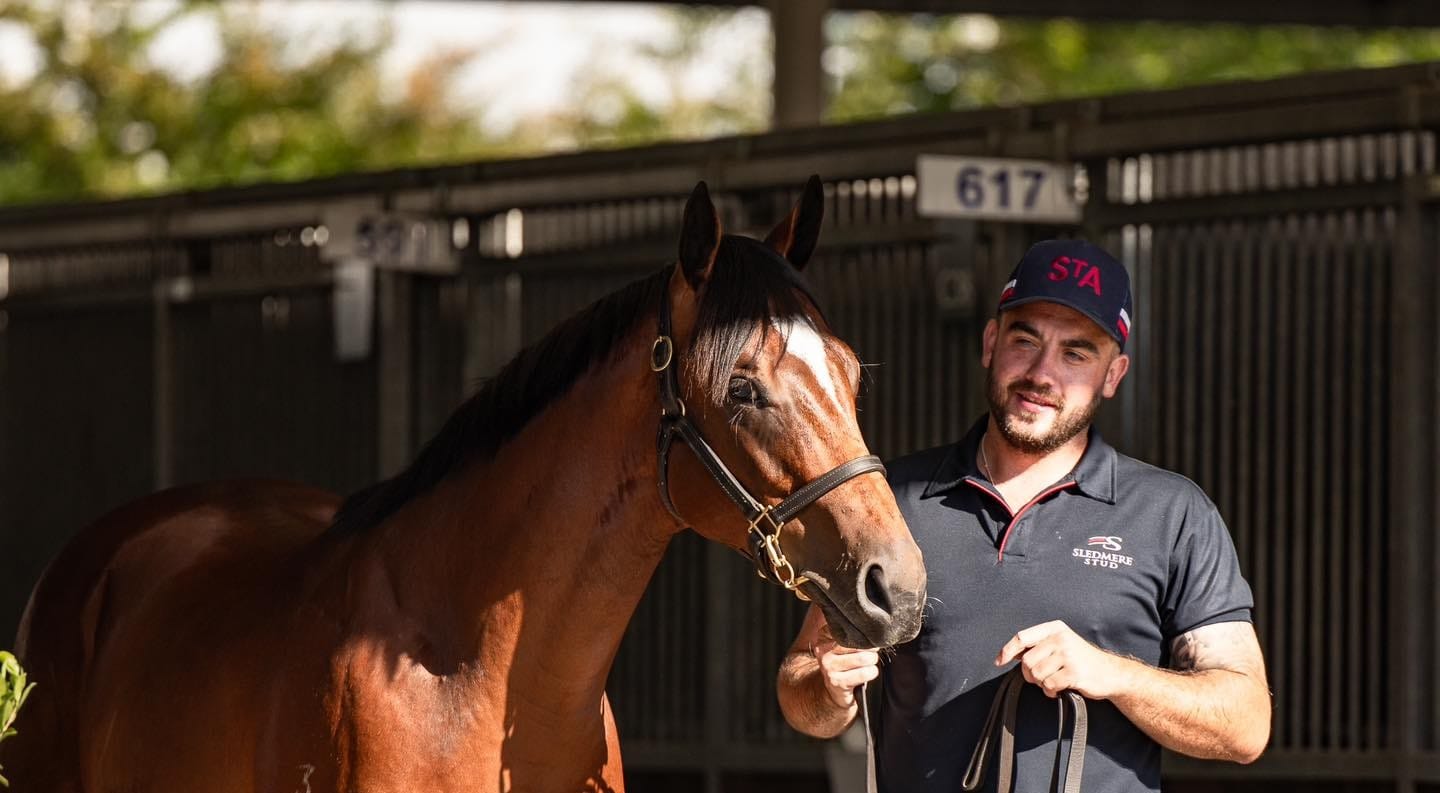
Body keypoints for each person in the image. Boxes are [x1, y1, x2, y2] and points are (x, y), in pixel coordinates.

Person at [777, 239, 1271, 793]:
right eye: (1025, 339)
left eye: (1076, 354)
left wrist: (1114, 675)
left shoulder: (1173, 514)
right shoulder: (893, 497)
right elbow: (801, 685)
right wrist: (826, 689)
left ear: (1114, 374)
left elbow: (1246, 724)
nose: (1042, 373)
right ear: (992, 342)